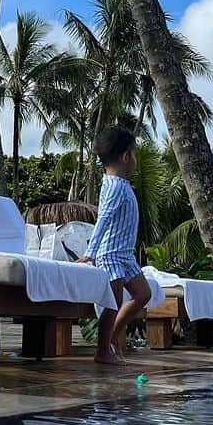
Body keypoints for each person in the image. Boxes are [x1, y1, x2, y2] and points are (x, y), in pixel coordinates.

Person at [77, 126, 152, 367]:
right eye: (135, 154)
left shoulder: (120, 184)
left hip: (125, 254)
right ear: (125, 156)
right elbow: (104, 218)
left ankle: (112, 339)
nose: (136, 161)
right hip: (110, 253)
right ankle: (103, 350)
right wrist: (91, 253)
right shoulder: (115, 186)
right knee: (112, 303)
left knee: (143, 294)